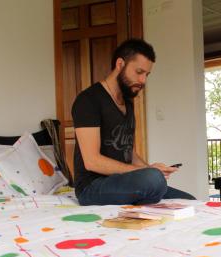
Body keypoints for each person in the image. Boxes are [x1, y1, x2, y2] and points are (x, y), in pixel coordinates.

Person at [71, 38, 195, 205]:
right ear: (120, 64)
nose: (143, 80)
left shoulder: (127, 102)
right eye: (139, 72)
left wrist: (150, 168)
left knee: (188, 200)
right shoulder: (88, 100)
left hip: (122, 182)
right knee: (153, 179)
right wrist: (148, 173)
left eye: (147, 74)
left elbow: (130, 153)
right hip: (92, 187)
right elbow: (92, 161)